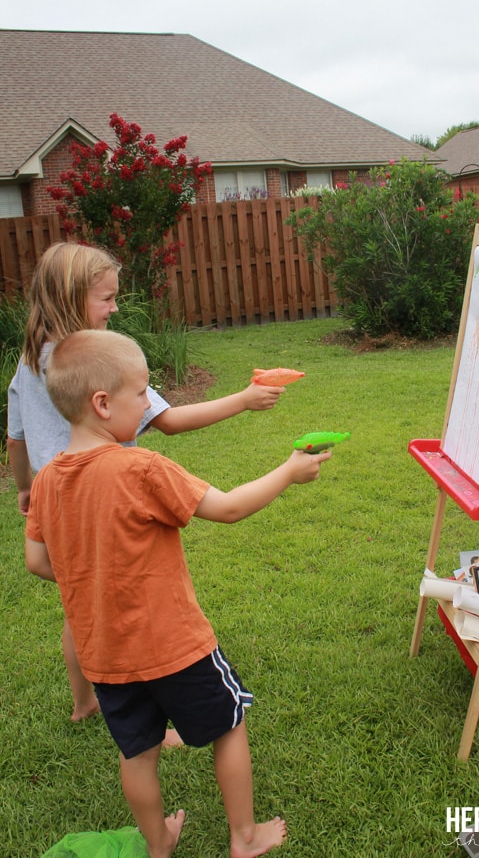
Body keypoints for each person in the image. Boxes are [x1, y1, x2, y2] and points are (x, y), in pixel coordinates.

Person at [25, 329, 331, 858]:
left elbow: (37, 561)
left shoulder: (48, 479)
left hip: (105, 656)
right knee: (229, 725)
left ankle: (158, 842)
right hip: (174, 644)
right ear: (102, 404)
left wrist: (91, 576)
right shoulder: (140, 467)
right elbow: (229, 507)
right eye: (142, 393)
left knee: (138, 753)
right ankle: (245, 836)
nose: (150, 404)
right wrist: (289, 470)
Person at [7, 242, 285, 724]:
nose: (116, 307)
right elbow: (169, 420)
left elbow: (15, 437)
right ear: (73, 298)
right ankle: (159, 706)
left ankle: (85, 702)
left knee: (79, 603)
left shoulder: (30, 361)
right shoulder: (100, 362)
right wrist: (243, 399)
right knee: (133, 608)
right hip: (113, 501)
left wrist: (25, 487)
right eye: (107, 298)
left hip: (57, 504)